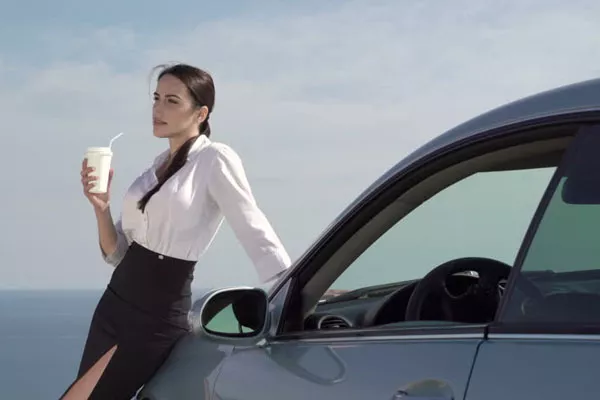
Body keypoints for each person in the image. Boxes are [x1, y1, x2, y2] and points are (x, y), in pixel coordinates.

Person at [60, 63, 291, 399]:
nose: (158, 109)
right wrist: (100, 206)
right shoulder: (154, 168)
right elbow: (117, 253)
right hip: (113, 306)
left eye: (172, 101)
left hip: (155, 315)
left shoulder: (215, 158)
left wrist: (295, 284)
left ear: (201, 112)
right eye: (156, 98)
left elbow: (252, 224)